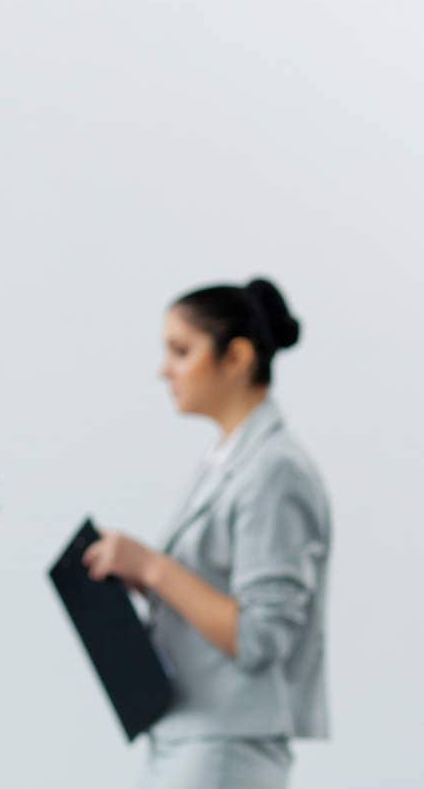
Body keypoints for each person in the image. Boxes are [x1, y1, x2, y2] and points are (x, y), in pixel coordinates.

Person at [83, 278, 330, 789]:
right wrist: (146, 580)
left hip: (225, 748)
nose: (164, 370)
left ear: (236, 357)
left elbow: (259, 637)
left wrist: (154, 567)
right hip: (190, 736)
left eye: (180, 351)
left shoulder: (273, 471)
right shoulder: (227, 460)